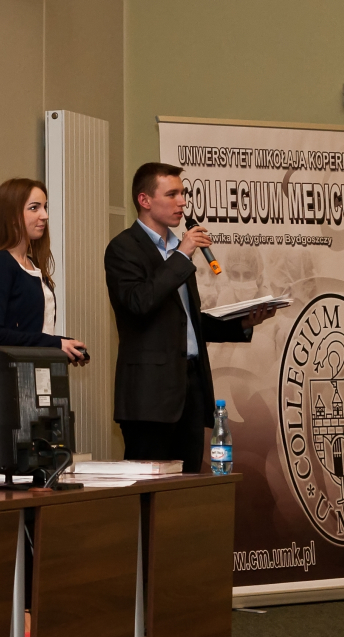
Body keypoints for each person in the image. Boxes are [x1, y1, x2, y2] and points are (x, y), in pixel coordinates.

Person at [104, 163, 274, 472]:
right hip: (150, 397)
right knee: (150, 487)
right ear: (144, 200)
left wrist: (242, 323)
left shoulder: (177, 250)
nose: (182, 202)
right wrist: (182, 255)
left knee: (190, 486)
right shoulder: (124, 248)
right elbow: (139, 303)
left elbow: (187, 322)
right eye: (172, 194)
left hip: (191, 389)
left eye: (183, 193)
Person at [0, 178, 87, 373]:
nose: (45, 215)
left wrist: (64, 346)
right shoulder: (0, 264)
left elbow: (32, 330)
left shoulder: (33, 265)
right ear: (12, 216)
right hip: (11, 377)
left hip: (38, 373)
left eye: (45, 207)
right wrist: (54, 344)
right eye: (34, 208)